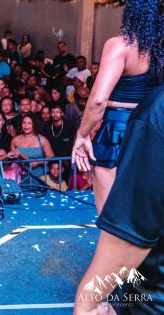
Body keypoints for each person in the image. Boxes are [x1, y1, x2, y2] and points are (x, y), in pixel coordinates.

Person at [72, 0, 162, 214]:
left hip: (119, 128)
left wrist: (83, 134)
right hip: (156, 129)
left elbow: (98, 99)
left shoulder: (122, 45)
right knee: (147, 213)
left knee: (112, 214)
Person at [73, 84, 164, 315]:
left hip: (154, 298)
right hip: (129, 126)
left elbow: (128, 230)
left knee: (116, 223)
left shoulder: (157, 110)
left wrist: (90, 302)